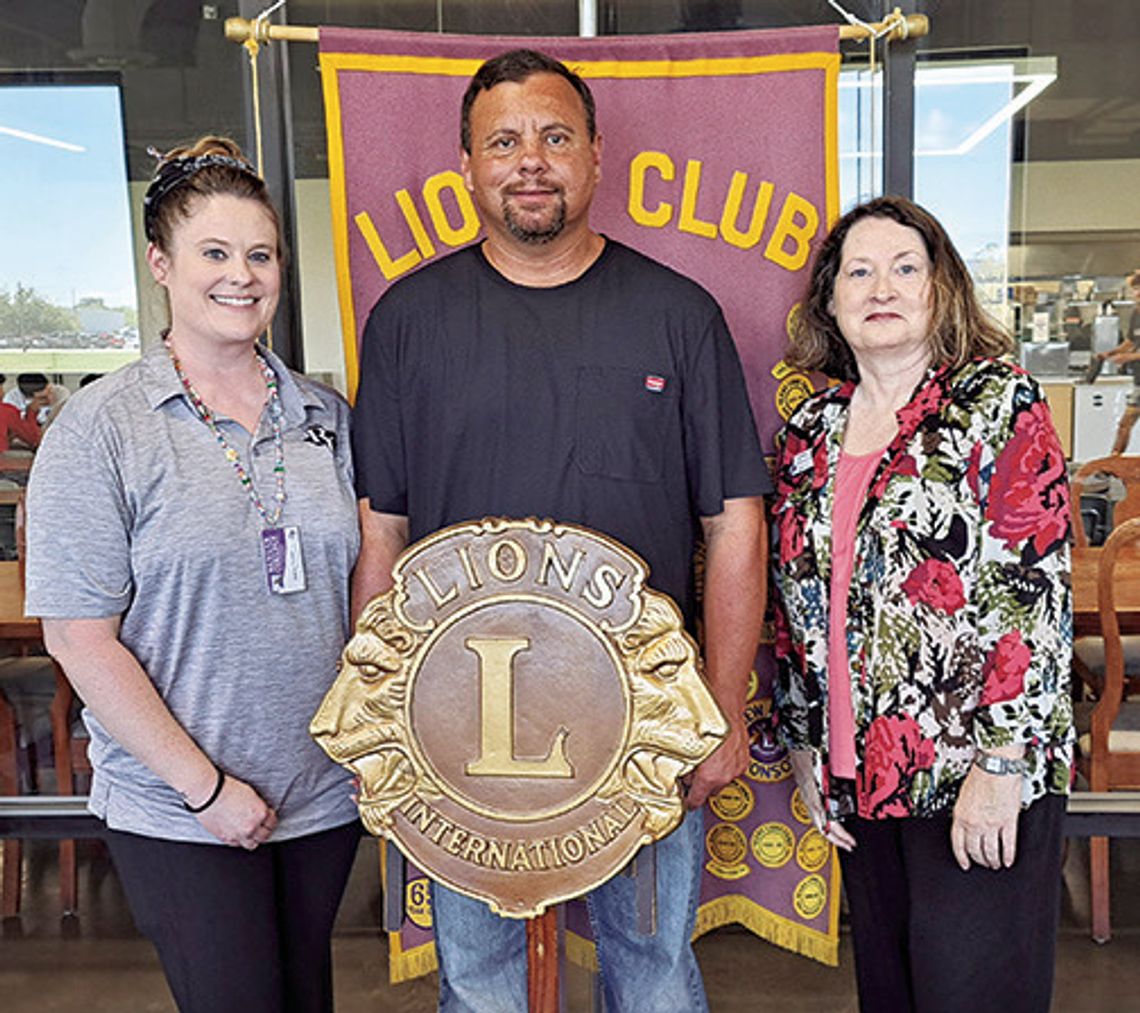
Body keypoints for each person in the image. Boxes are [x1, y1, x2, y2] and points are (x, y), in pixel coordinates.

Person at [351, 49, 769, 1013]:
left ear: (595, 155)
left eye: (554, 137)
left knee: (654, 974)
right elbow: (383, 531)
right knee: (481, 981)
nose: (529, 161)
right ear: (467, 162)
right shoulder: (408, 322)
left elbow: (735, 522)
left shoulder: (679, 316)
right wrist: (381, 717)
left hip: (644, 722)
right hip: (456, 732)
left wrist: (721, 707)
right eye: (503, 141)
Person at [24, 136, 361, 1013]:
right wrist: (205, 789)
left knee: (304, 998)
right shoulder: (103, 430)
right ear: (161, 264)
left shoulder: (326, 416)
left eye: (260, 255)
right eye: (214, 252)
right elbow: (77, 635)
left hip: (319, 796)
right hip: (180, 805)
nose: (240, 276)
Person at [771, 195, 1073, 1013]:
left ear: (942, 289)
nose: (883, 287)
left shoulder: (994, 405)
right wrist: (802, 739)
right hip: (860, 773)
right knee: (893, 997)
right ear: (829, 299)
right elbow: (798, 600)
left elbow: (1032, 593)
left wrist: (1001, 765)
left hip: (971, 772)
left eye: (907, 268)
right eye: (859, 271)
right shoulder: (809, 433)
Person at [1096, 269, 1140, 454]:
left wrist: (1128, 357)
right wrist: (1111, 352)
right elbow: (1131, 341)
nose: (1136, 294)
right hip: (1139, 380)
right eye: (1135, 289)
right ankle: (1113, 462)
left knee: (1126, 422)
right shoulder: (1136, 314)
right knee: (1125, 423)